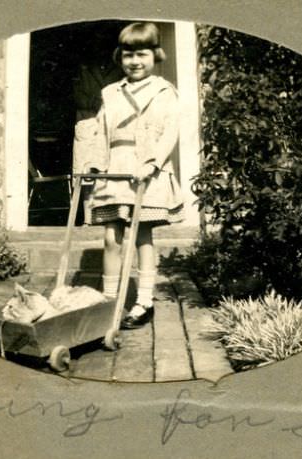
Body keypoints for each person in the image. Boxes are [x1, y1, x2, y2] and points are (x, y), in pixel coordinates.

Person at [87, 22, 184, 329]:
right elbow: (101, 132)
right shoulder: (110, 92)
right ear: (120, 57)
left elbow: (170, 132)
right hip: (115, 168)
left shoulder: (164, 92)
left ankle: (143, 301)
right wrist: (93, 165)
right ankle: (109, 299)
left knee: (143, 235)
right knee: (110, 236)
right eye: (128, 55)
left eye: (142, 54)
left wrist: (151, 164)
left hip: (146, 170)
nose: (135, 61)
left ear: (155, 56)